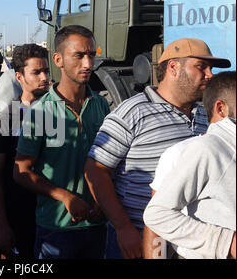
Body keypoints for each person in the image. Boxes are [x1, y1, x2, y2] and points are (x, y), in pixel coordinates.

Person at [85, 38, 231, 259]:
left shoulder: (204, 115)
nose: (210, 75)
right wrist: (123, 228)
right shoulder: (132, 112)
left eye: (211, 68)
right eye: (201, 67)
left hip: (186, 243)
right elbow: (96, 170)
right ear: (174, 67)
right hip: (137, 239)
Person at [13, 25, 110, 259]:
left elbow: (108, 162)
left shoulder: (101, 105)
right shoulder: (41, 112)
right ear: (58, 59)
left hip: (97, 226)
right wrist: (65, 197)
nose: (88, 64)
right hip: (56, 228)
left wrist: (101, 200)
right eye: (79, 56)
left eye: (91, 55)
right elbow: (21, 172)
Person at [143, 71, 236, 259]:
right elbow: (157, 219)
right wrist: (228, 242)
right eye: (201, 66)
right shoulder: (189, 151)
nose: (208, 74)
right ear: (221, 108)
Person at [0, 44, 49, 258]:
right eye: (36, 72)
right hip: (19, 215)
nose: (44, 77)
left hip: (53, 216)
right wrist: (2, 224)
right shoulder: (6, 119)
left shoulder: (58, 114)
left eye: (46, 71)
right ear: (19, 76)